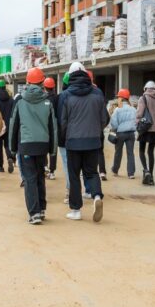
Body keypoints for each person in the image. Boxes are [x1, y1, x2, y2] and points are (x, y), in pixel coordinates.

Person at [58, 63, 108, 222]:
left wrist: (66, 136)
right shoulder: (98, 92)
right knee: (92, 172)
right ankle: (97, 196)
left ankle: (76, 210)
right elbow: (104, 119)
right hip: (93, 141)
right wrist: (95, 131)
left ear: (70, 75)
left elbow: (63, 122)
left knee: (74, 175)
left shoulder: (66, 95)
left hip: (73, 142)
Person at [10, 68, 58, 223]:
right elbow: (53, 127)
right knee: (39, 177)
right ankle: (41, 209)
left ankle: (34, 213)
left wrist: (12, 148)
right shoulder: (47, 101)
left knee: (30, 178)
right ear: (42, 82)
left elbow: (14, 125)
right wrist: (52, 149)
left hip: (26, 145)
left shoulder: (20, 101)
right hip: (42, 145)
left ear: (28, 82)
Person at [136, 80, 155, 185]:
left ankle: (146, 170)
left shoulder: (143, 98)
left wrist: (137, 124)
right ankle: (151, 177)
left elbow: (139, 113)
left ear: (145, 89)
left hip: (145, 128)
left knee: (141, 151)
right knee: (150, 152)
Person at [109, 88, 137, 178]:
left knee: (118, 152)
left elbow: (114, 123)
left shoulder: (117, 110)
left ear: (121, 98)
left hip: (120, 133)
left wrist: (116, 129)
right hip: (131, 133)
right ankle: (131, 173)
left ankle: (115, 170)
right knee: (130, 153)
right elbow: (136, 121)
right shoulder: (133, 109)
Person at [0, 80, 16, 174]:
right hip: (9, 125)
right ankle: (10, 158)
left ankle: (0, 165)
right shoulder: (11, 100)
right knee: (7, 145)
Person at [44, 77, 59, 179]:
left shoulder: (43, 99)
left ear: (44, 87)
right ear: (53, 87)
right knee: (53, 149)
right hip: (55, 126)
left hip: (45, 126)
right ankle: (52, 171)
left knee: (45, 147)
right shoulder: (58, 98)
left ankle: (45, 166)